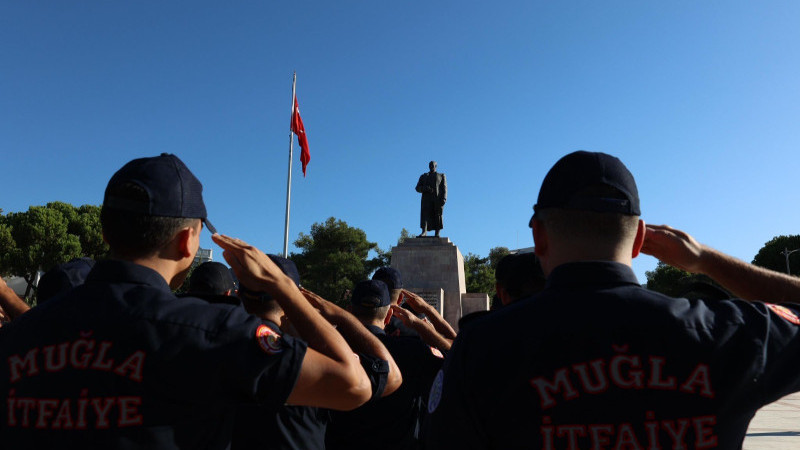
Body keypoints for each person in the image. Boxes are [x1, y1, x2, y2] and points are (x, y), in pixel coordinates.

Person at [424, 150, 800, 449]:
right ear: (639, 240)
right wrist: (703, 260)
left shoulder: (481, 350)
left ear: (539, 236)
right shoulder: (729, 333)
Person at [0, 153, 374, 449]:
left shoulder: (20, 334)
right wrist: (282, 287)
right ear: (187, 241)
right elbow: (354, 384)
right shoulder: (212, 332)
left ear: (105, 231)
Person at [232, 255, 401, 450]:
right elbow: (391, 377)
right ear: (294, 302)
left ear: (238, 295)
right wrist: (341, 317)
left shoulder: (206, 339)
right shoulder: (315, 360)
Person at [326, 280, 445, 450]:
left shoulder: (328, 350)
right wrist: (424, 323)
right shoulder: (414, 351)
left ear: (349, 311)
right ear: (389, 315)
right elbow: (455, 359)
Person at [415, 161, 446, 237]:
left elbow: (444, 188)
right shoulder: (424, 176)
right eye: (430, 165)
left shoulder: (441, 176)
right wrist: (425, 188)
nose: (431, 166)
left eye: (433, 165)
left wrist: (444, 198)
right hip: (426, 199)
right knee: (425, 215)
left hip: (437, 198)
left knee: (437, 214)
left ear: (436, 166)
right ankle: (424, 232)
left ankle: (437, 233)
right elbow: (417, 188)